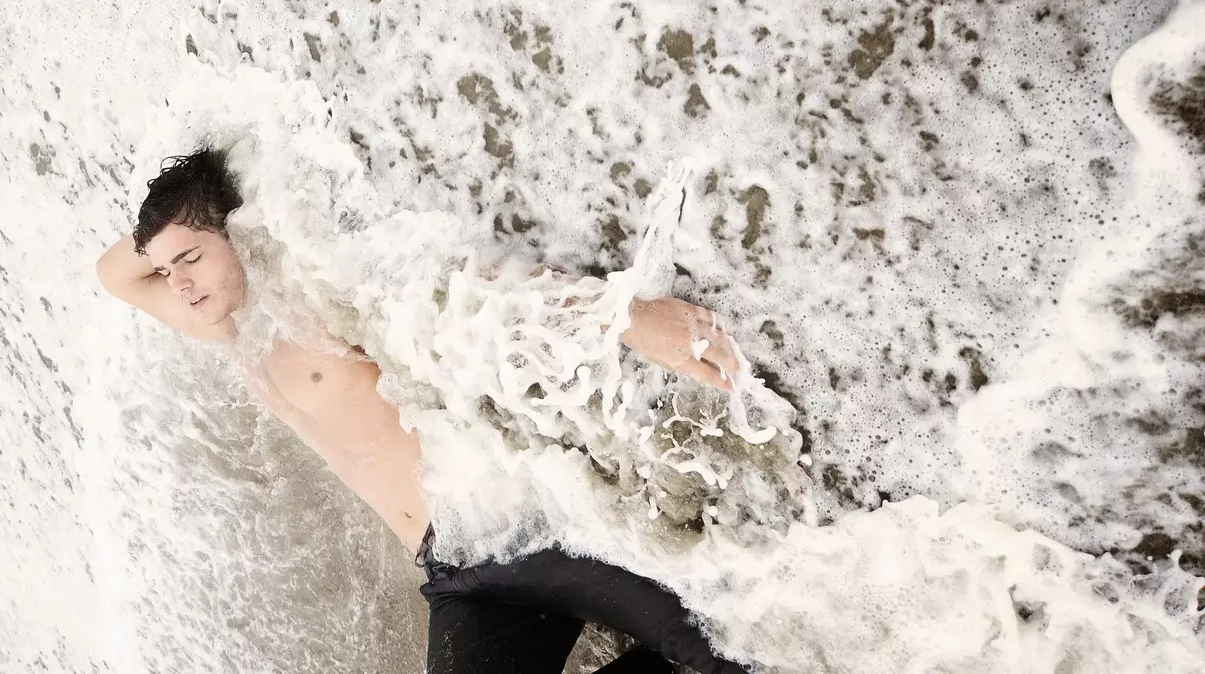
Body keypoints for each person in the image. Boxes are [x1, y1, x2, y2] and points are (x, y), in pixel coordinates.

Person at [95, 147, 750, 674]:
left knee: (736, 646)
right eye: (166, 267)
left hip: (519, 531)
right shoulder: (234, 331)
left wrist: (628, 318)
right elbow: (114, 273)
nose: (177, 284)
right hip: (456, 573)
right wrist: (186, 200)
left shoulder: (317, 291)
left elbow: (475, 303)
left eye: (191, 258)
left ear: (238, 236)